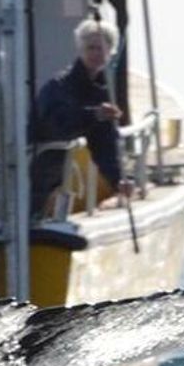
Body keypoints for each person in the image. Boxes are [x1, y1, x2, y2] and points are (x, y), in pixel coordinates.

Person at [30, 18, 126, 217]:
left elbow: (104, 142)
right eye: (90, 48)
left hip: (60, 167)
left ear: (110, 52)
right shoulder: (59, 86)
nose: (95, 53)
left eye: (100, 48)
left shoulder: (101, 90)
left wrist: (119, 180)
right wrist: (94, 114)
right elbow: (56, 124)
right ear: (80, 50)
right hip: (40, 162)